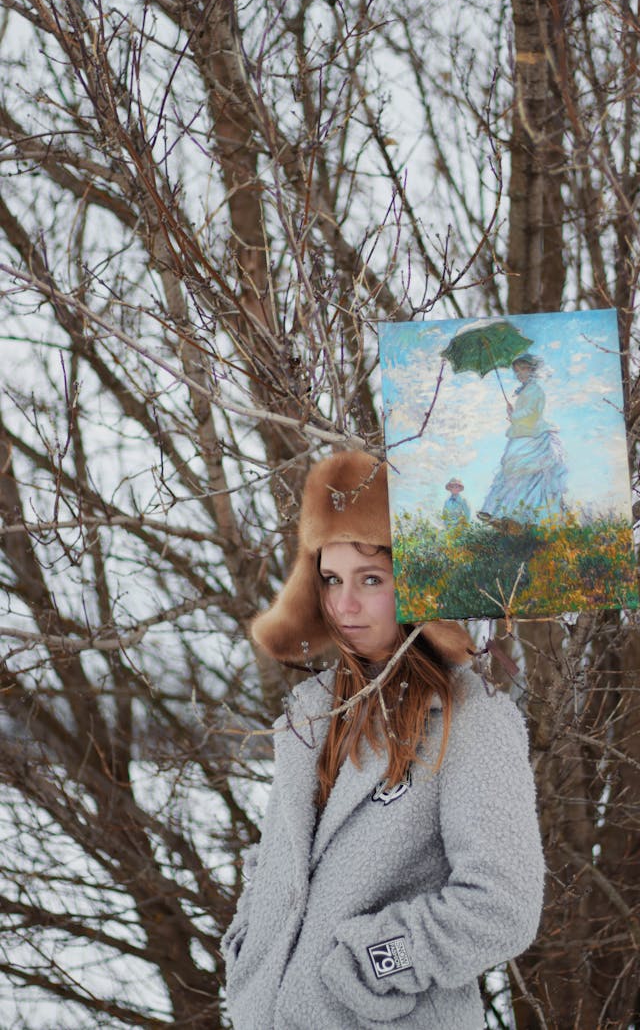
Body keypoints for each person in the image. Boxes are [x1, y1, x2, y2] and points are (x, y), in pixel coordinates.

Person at [222, 450, 544, 1030]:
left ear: (415, 580)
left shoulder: (471, 718)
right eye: (330, 580)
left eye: (371, 579)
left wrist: (372, 964)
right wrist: (249, 944)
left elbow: (501, 907)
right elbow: (285, 860)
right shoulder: (311, 712)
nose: (344, 604)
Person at [478, 354, 567, 525]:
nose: (519, 374)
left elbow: (531, 413)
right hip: (521, 434)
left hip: (532, 437)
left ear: (532, 370)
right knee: (512, 474)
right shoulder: (526, 390)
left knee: (527, 475)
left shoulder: (535, 390)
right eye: (516, 371)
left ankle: (520, 517)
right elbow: (524, 414)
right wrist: (513, 415)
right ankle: (503, 513)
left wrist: (514, 415)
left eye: (522, 369)